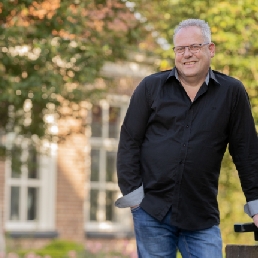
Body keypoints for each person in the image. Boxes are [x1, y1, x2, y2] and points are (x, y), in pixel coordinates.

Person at [115, 18, 258, 258]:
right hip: (152, 212)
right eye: (180, 49)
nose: (187, 54)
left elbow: (247, 153)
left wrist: (256, 204)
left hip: (201, 214)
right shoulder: (150, 88)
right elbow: (129, 141)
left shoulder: (232, 92)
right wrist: (135, 197)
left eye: (195, 47)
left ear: (210, 49)